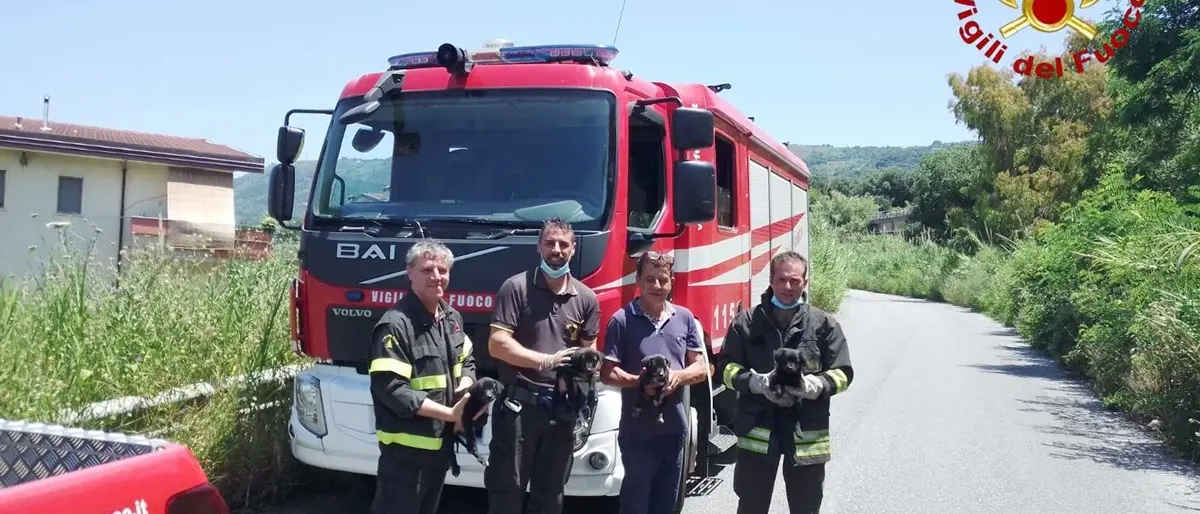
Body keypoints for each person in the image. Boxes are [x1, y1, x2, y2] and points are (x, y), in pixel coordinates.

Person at [721, 251, 854, 514]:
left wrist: (814, 386)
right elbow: (725, 368)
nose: (788, 287)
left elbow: (843, 373)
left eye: (795, 281)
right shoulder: (746, 323)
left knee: (806, 508)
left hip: (805, 433)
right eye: (781, 280)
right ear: (770, 280)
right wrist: (755, 382)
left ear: (805, 282)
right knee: (751, 506)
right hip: (757, 430)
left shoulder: (823, 324)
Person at [486, 217, 601, 514]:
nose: (556, 250)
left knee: (550, 497)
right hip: (518, 410)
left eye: (563, 244)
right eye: (550, 243)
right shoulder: (516, 287)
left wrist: (589, 378)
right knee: (506, 493)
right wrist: (545, 361)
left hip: (561, 412)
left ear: (573, 249)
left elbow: (590, 351)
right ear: (539, 247)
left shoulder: (586, 298)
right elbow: (497, 343)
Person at [366, 240, 477, 514]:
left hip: (439, 449)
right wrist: (450, 414)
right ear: (410, 273)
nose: (436, 276)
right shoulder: (396, 324)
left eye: (442, 269)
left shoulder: (451, 318)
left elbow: (467, 361)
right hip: (405, 456)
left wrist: (465, 390)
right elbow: (391, 389)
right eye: (427, 269)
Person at [599, 250, 709, 514]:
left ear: (672, 282)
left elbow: (702, 367)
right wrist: (639, 381)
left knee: (667, 505)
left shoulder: (684, 318)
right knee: (635, 505)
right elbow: (607, 372)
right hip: (638, 433)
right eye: (649, 280)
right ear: (638, 281)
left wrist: (678, 377)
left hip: (674, 431)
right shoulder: (621, 321)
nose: (656, 286)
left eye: (662, 280)